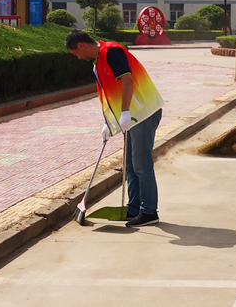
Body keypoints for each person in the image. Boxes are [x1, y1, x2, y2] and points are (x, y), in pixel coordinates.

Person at [65, 30, 164, 227]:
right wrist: (108, 123)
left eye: (76, 53)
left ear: (81, 45)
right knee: (130, 166)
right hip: (132, 116)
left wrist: (125, 112)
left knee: (141, 164)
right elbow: (111, 94)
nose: (78, 58)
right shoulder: (99, 61)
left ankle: (149, 211)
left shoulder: (111, 52)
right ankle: (134, 208)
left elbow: (127, 81)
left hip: (143, 113)